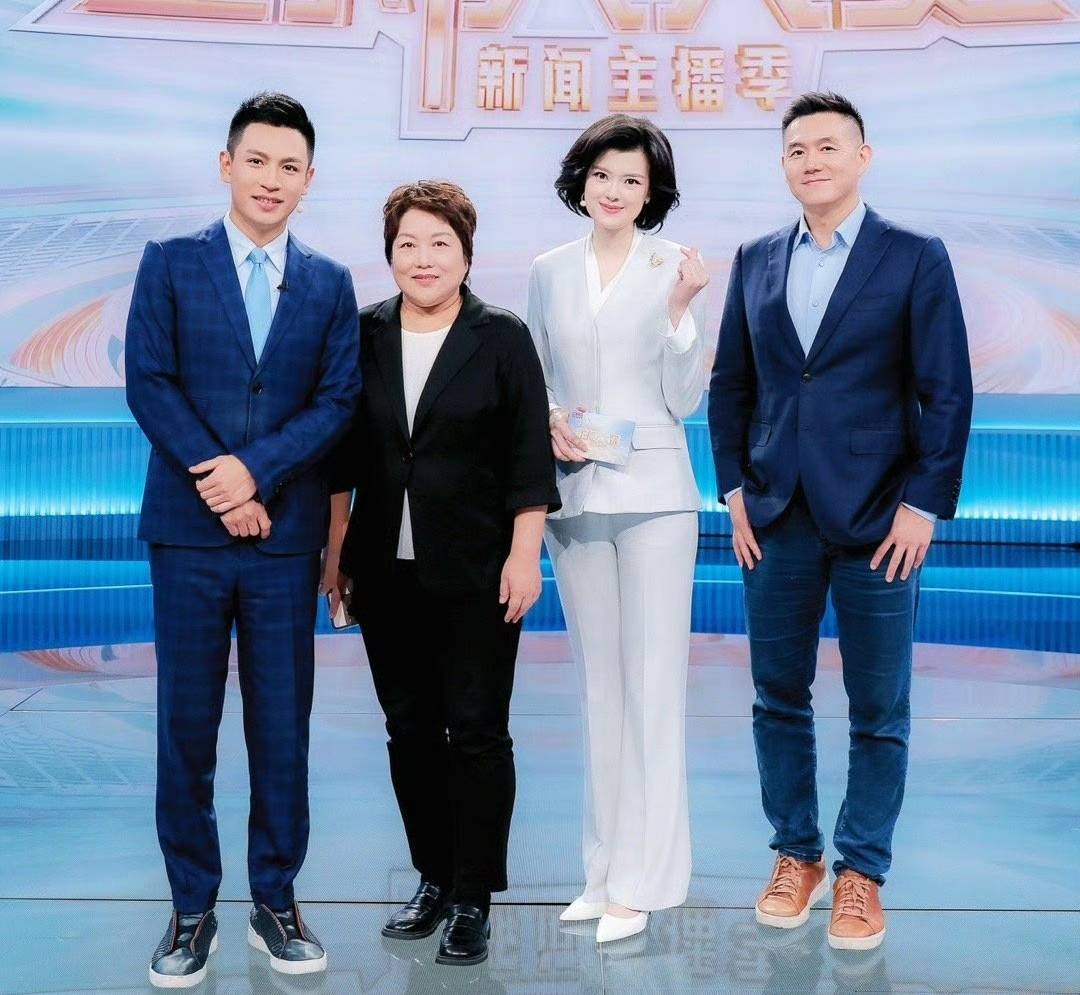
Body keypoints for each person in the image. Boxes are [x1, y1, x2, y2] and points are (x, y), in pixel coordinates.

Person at [708, 91, 973, 950]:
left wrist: (924, 504)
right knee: (776, 696)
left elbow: (947, 390)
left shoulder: (915, 256)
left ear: (863, 156)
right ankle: (797, 854)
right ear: (783, 165)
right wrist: (732, 489)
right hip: (774, 515)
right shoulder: (755, 258)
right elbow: (732, 384)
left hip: (881, 517)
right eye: (796, 149)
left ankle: (862, 869)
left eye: (827, 146)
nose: (811, 160)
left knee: (879, 705)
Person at [125, 92, 360, 987]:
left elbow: (337, 400)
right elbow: (149, 381)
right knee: (186, 725)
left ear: (309, 179)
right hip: (188, 535)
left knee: (280, 726)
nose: (271, 179)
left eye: (288, 166)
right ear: (227, 165)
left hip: (283, 538)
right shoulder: (171, 263)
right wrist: (220, 484)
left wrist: (254, 473)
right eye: (256, 161)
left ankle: (275, 900)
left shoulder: (330, 282)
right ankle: (191, 908)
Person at [323, 181, 559, 967]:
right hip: (383, 570)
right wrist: (335, 554)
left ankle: (471, 896)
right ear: (389, 253)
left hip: (478, 568)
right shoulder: (362, 333)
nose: (422, 259)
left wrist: (525, 553)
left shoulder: (501, 336)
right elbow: (343, 458)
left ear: (466, 253)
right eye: (407, 245)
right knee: (409, 729)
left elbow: (528, 455)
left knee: (478, 730)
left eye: (439, 244)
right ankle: (431, 874)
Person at [526, 114, 709, 944]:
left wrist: (679, 314)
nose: (614, 190)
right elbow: (535, 374)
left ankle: (647, 878)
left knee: (652, 686)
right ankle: (602, 871)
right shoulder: (549, 270)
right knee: (599, 690)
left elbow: (684, 398)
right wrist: (550, 418)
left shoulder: (676, 267)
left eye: (632, 179)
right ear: (581, 179)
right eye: (603, 174)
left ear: (651, 191)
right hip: (576, 493)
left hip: (658, 494)